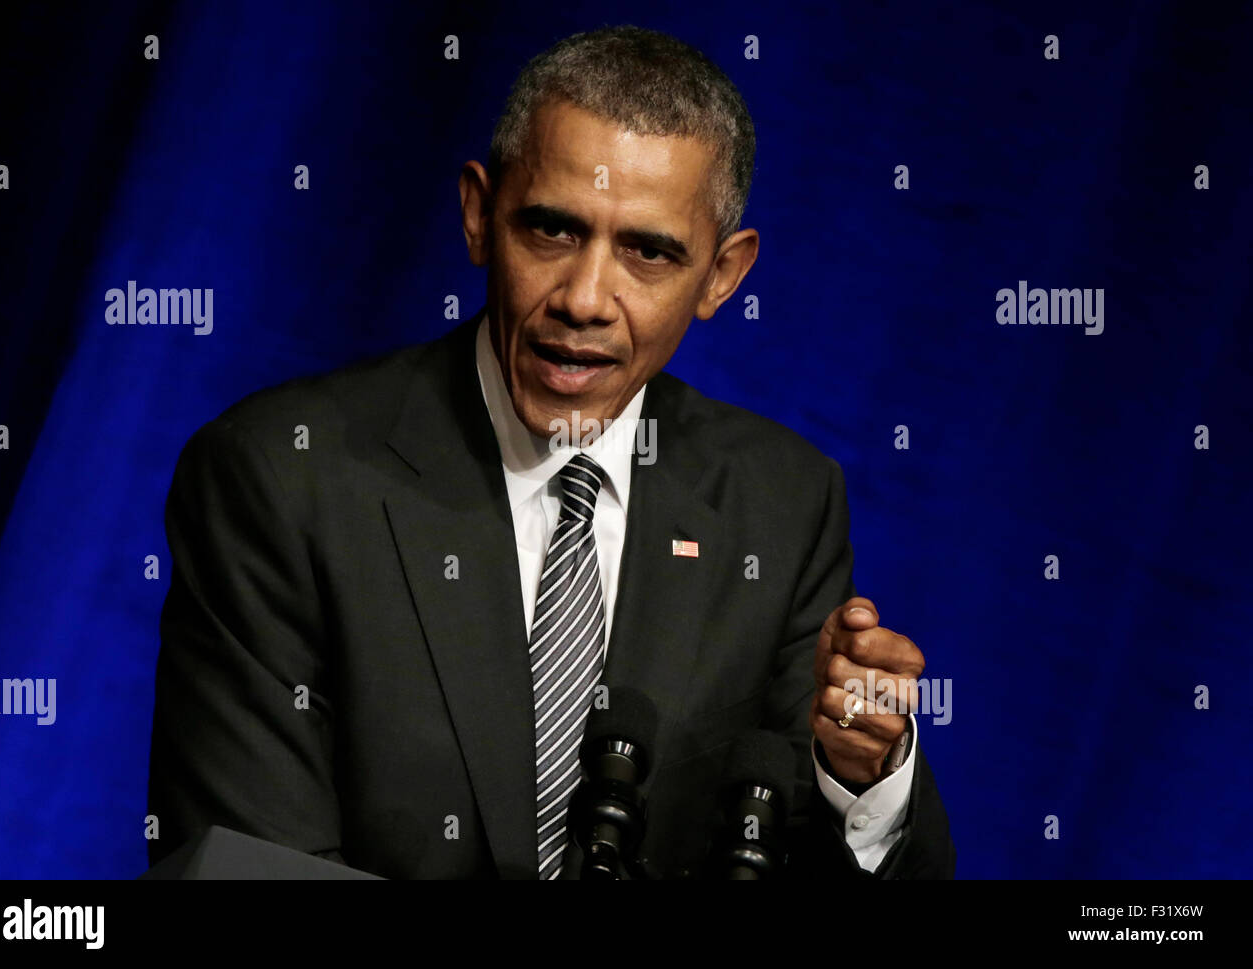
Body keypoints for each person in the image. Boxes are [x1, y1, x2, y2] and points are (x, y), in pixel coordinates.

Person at [148, 24, 954, 879]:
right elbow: (252, 869)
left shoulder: (779, 503)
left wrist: (862, 777)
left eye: (647, 251)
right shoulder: (280, 478)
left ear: (721, 276)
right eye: (553, 231)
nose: (585, 299)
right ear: (478, 215)